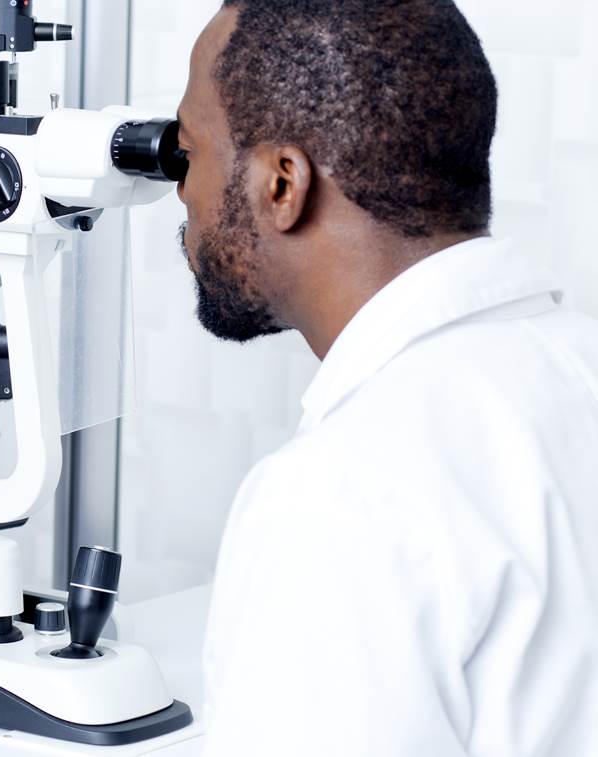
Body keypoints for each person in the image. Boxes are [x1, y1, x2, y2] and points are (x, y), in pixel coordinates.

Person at [175, 1, 598, 754]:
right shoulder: (575, 365)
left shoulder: (340, 498)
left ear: (282, 185)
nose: (182, 194)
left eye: (191, 154)